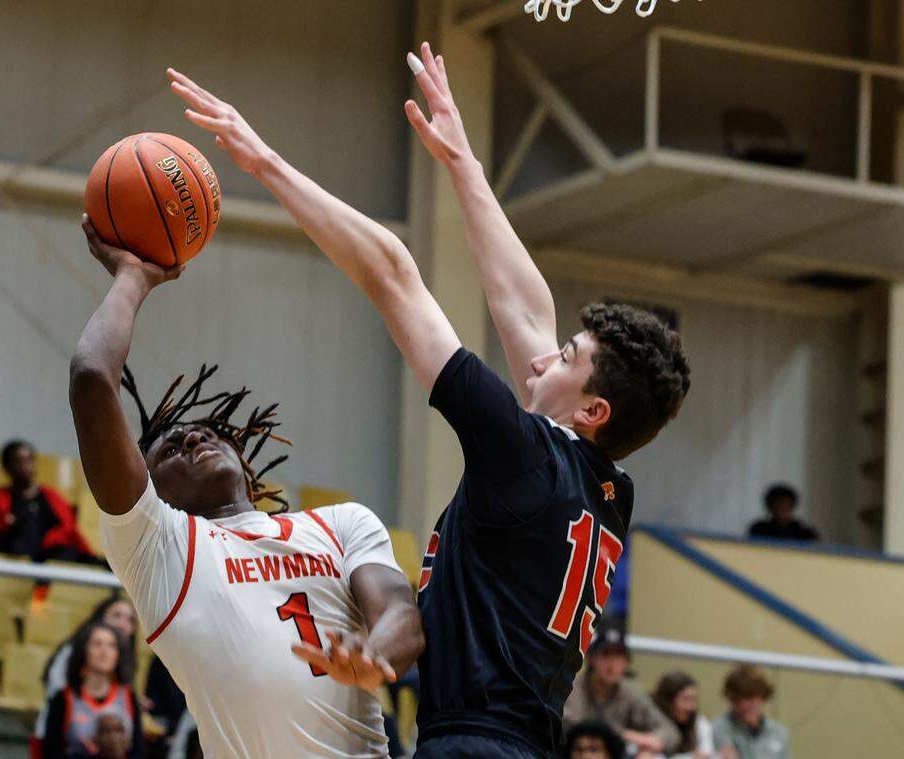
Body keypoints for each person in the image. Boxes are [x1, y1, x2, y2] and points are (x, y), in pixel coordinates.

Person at [168, 40, 689, 758]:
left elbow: (392, 272)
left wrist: (264, 163)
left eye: (567, 357)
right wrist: (462, 163)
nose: (543, 353)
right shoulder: (605, 488)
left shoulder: (524, 455)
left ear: (592, 409)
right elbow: (525, 306)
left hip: (470, 744)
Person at [69, 172, 424, 754]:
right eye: (169, 448)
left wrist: (372, 656)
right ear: (149, 487)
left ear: (243, 458)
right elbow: (91, 379)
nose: (191, 439)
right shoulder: (159, 548)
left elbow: (402, 614)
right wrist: (134, 277)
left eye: (205, 431)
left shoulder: (341, 524)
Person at [34, 594, 140, 753]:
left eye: (129, 619)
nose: (123, 624)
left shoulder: (127, 694)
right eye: (117, 615)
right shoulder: (65, 696)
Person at [0, 439, 100, 563]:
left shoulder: (52, 497)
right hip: (14, 559)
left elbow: (69, 530)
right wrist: (5, 525)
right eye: (18, 461)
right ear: (7, 466)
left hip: (51, 556)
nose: (24, 466)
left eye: (28, 460)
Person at [564, 625, 680, 757]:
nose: (612, 664)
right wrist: (626, 735)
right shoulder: (572, 687)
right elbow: (576, 728)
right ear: (592, 659)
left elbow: (670, 733)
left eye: (619, 656)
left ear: (626, 663)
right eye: (606, 655)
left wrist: (649, 747)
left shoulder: (630, 692)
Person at [42, 622, 147, 759]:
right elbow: (51, 751)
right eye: (97, 644)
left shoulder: (128, 696)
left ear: (118, 654)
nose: (104, 651)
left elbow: (138, 750)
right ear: (83, 651)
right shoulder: (63, 698)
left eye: (112, 645)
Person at [712, 665, 790, 759]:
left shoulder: (778, 733)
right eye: (738, 699)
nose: (744, 705)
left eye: (750, 697)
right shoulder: (717, 729)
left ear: (762, 696)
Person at [652, 672, 714, 758]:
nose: (691, 707)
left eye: (694, 700)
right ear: (668, 701)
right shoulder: (651, 723)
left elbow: (706, 753)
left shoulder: (699, 722)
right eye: (686, 700)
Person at [748, 484, 818, 542]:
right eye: (777, 505)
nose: (781, 509)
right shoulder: (758, 530)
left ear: (792, 506)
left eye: (785, 505)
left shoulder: (805, 534)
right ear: (769, 507)